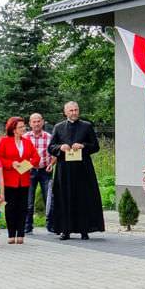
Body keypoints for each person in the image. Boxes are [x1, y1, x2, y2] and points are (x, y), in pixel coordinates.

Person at [47, 102, 105, 240]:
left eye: (76, 110)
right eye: (71, 110)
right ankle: (65, 230)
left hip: (83, 170)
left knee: (83, 199)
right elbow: (51, 147)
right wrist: (60, 147)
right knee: (64, 198)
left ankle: (84, 230)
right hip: (64, 170)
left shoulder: (86, 126)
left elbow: (95, 146)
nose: (74, 112)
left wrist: (83, 146)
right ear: (65, 112)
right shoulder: (58, 127)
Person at [0, 117, 40, 244]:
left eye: (23, 126)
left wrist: (27, 165)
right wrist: (11, 164)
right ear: (13, 129)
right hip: (9, 180)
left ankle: (20, 234)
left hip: (24, 180)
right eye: (20, 127)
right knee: (10, 207)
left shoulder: (27, 142)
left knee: (23, 207)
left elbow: (36, 158)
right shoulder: (4, 141)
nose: (23, 129)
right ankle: (11, 234)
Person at [24, 113, 54, 234]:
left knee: (49, 199)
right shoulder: (25, 137)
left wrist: (52, 163)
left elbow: (55, 153)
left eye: (38, 121)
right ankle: (27, 226)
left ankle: (51, 225)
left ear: (43, 122)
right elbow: (20, 155)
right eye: (34, 122)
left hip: (45, 171)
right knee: (28, 200)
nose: (36, 124)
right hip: (29, 171)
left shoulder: (49, 137)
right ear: (30, 123)